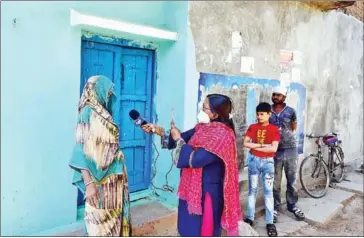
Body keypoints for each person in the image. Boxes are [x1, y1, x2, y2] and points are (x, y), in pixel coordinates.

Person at [142, 94, 242, 236]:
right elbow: (180, 138)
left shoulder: (222, 135)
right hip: (190, 189)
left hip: (207, 192)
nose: (201, 110)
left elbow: (196, 159)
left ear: (216, 112)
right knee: (187, 228)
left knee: (202, 230)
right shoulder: (201, 128)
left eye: (205, 108)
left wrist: (178, 139)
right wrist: (156, 130)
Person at [69, 75, 132, 236]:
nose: (110, 96)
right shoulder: (87, 112)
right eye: (108, 92)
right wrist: (89, 184)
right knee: (98, 224)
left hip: (114, 180)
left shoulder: (103, 112)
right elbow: (80, 149)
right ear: (97, 90)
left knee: (114, 221)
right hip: (98, 183)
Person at [243, 102, 280, 237]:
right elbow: (245, 143)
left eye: (262, 114)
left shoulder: (274, 129)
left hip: (268, 163)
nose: (259, 117)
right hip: (253, 161)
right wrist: (262, 145)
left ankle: (270, 222)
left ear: (269, 114)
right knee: (252, 190)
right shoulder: (252, 127)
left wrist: (255, 146)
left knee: (268, 192)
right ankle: (250, 218)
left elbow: (273, 148)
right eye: (258, 114)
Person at [269, 87, 305, 223]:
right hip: (274, 151)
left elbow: (293, 127)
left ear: (284, 97)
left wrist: (286, 135)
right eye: (274, 95)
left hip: (290, 149)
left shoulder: (291, 111)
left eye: (278, 95)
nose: (275, 97)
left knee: (291, 181)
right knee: (275, 183)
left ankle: (292, 206)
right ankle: (274, 208)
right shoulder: (268, 111)